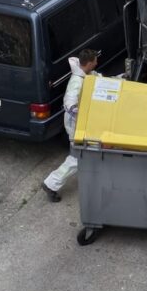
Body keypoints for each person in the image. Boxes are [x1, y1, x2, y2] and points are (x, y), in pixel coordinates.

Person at [42, 49, 99, 202]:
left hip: (80, 126)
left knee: (84, 155)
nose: (97, 63)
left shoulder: (87, 75)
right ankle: (51, 184)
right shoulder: (77, 82)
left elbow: (100, 80)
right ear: (88, 63)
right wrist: (83, 116)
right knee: (77, 158)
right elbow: (70, 104)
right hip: (76, 127)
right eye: (95, 61)